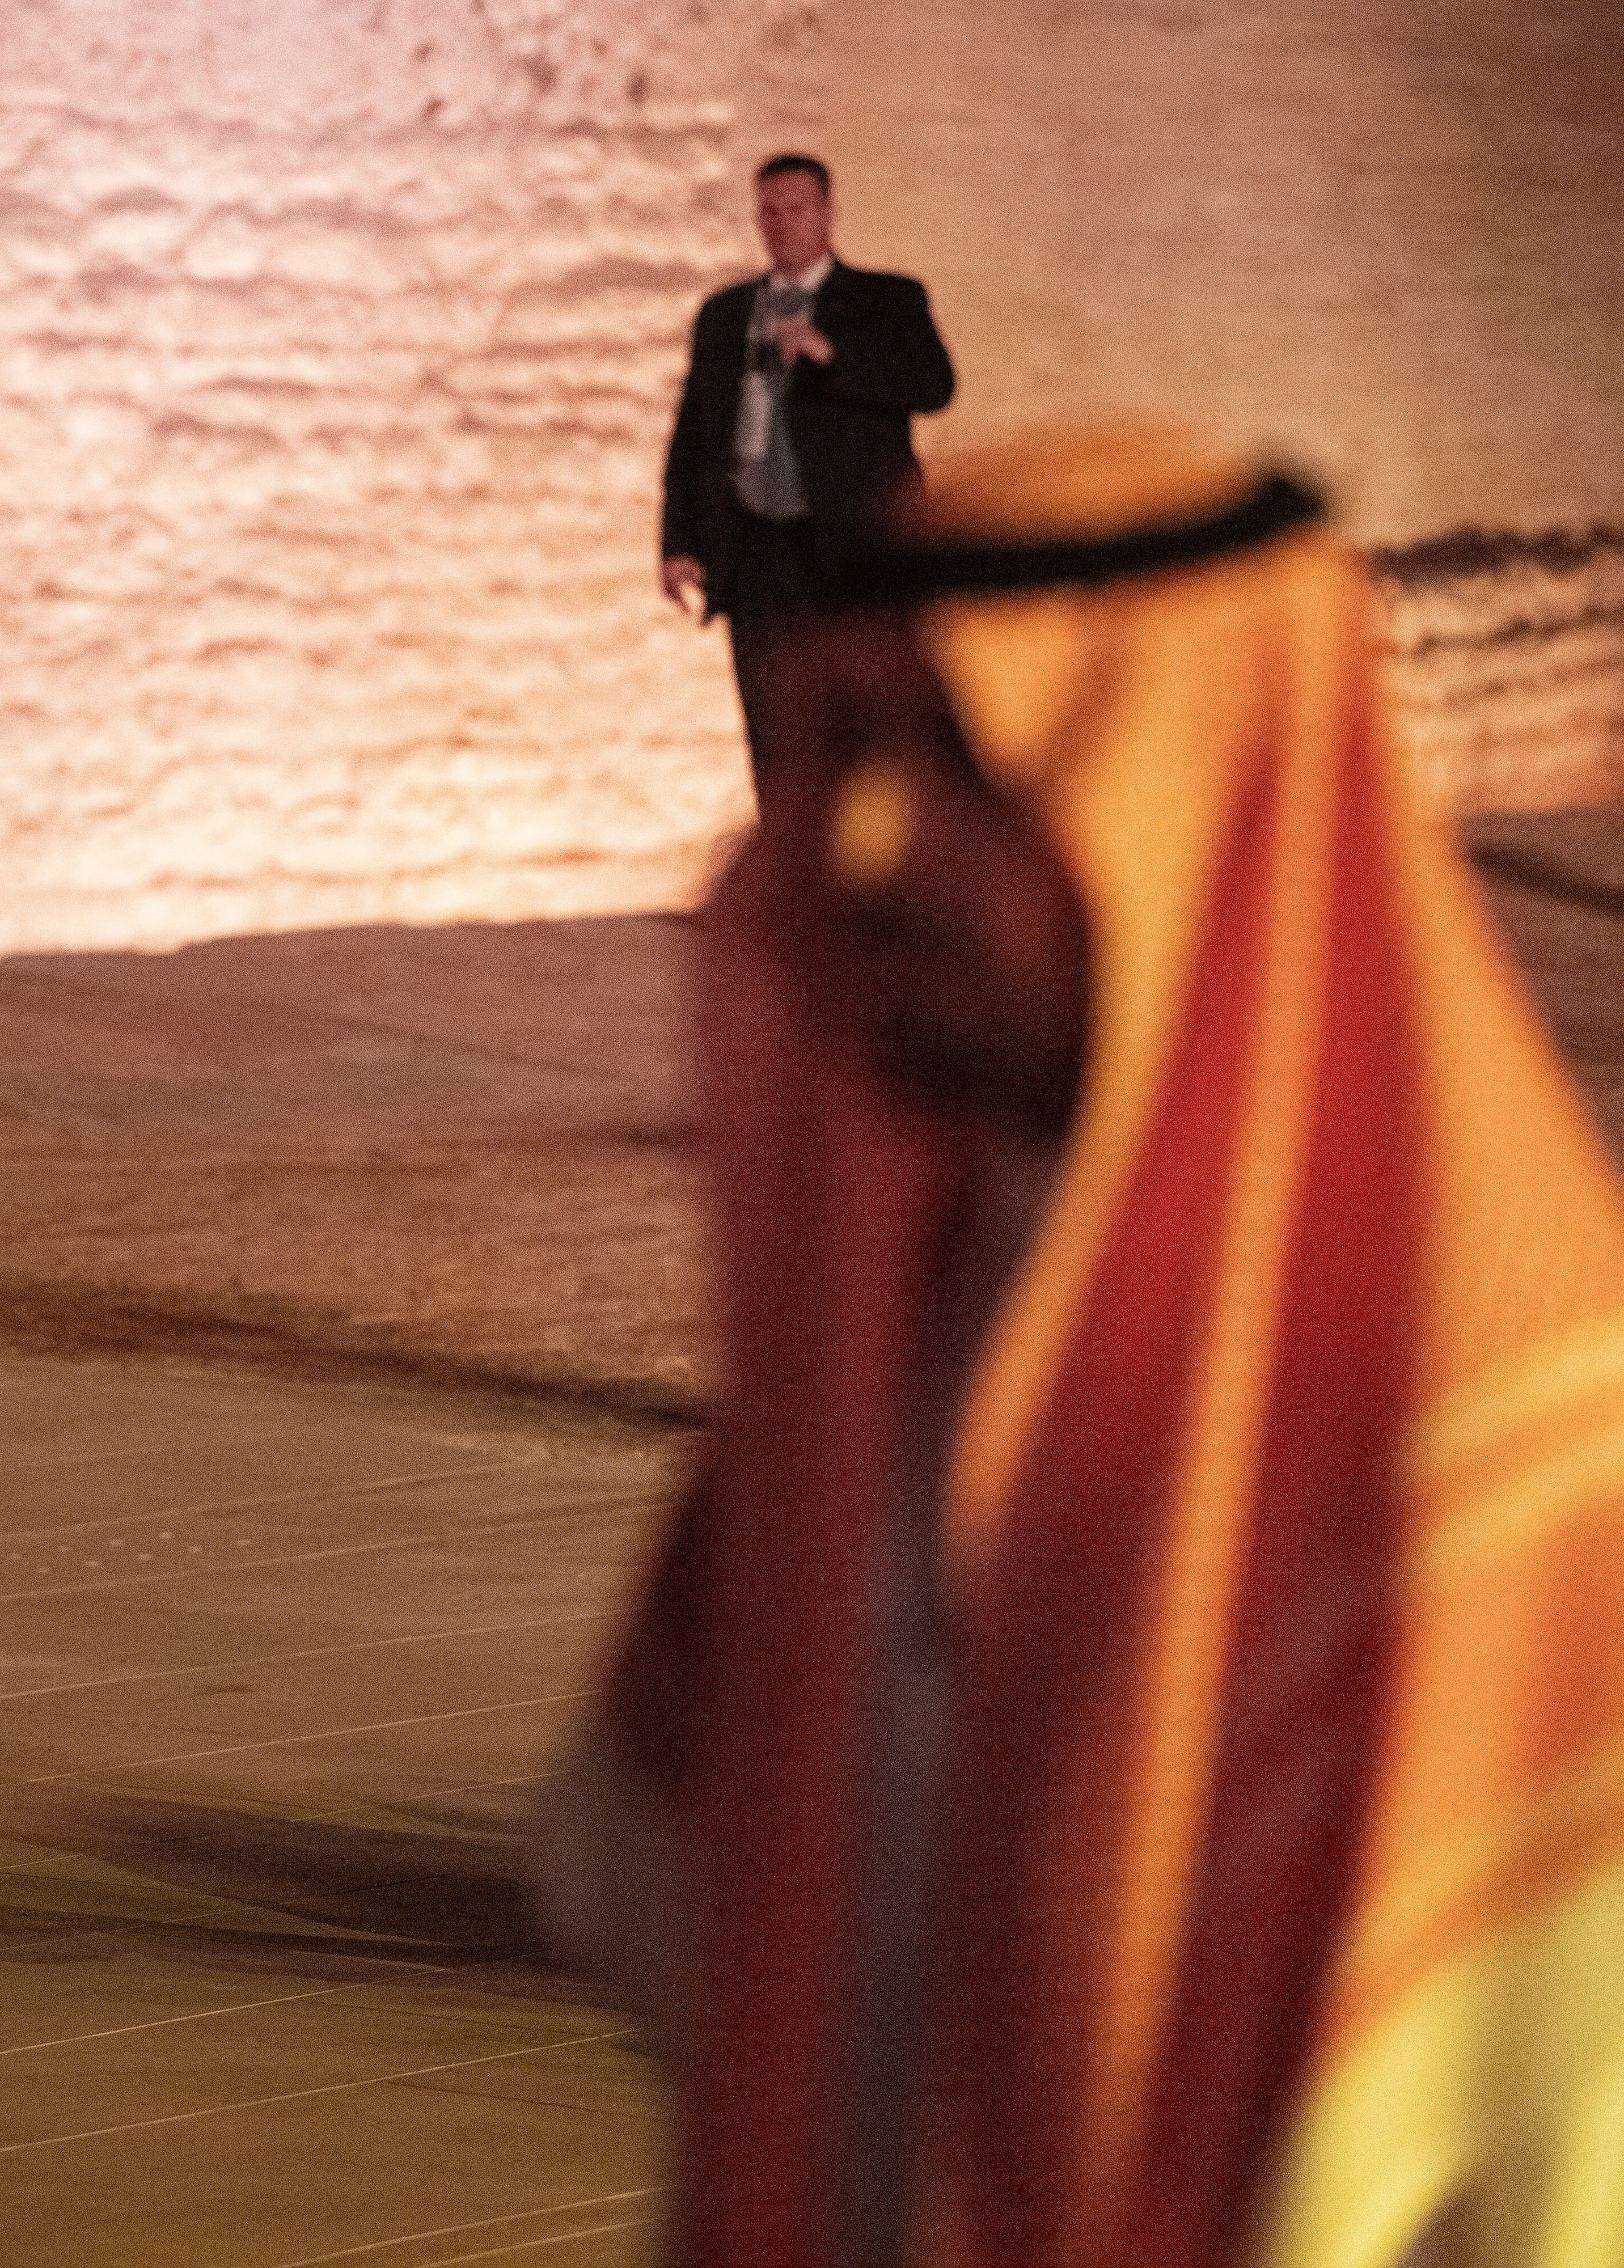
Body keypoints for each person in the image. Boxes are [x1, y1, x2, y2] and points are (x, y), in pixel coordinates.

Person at [545, 426, 1624, 2267]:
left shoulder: (1506, 1405)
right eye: (849, 754)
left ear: (1181, 805)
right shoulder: (910, 1291)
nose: (866, 842)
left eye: (962, 768)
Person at [657, 153, 954, 802]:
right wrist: (678, 542)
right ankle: (789, 884)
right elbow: (694, 433)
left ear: (826, 213)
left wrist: (833, 355)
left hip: (852, 547)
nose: (783, 223)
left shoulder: (885, 300)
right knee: (771, 724)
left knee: (866, 723)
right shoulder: (725, 314)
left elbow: (933, 387)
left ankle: (869, 886)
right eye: (770, 210)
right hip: (754, 545)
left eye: (797, 208)